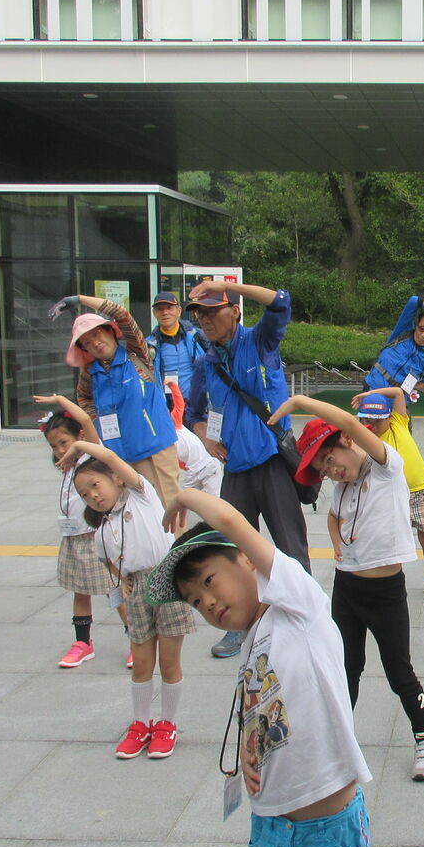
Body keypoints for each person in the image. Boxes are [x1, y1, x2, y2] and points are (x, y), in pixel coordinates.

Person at [147, 490, 389, 847]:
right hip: (272, 831)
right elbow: (267, 705)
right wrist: (250, 752)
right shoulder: (251, 640)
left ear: (246, 561)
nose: (207, 602)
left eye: (210, 581)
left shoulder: (298, 604)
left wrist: (183, 494)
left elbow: (231, 519)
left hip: (330, 832)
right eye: (194, 599)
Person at [274, 394, 424, 781]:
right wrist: (336, 542)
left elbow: (349, 422)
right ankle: (337, 743)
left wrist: (300, 402)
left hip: (386, 593)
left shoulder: (386, 466)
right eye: (323, 470)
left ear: (347, 441)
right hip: (347, 589)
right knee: (345, 669)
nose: (332, 472)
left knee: (399, 670)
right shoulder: (342, 487)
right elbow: (334, 518)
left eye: (329, 460)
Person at [183, 278, 309, 665]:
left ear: (235, 312)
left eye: (212, 311)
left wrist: (223, 284)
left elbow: (281, 301)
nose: (205, 320)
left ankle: (305, 614)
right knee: (230, 550)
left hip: (271, 462)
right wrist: (206, 439)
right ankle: (239, 622)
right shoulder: (206, 363)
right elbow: (192, 412)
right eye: (199, 314)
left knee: (290, 545)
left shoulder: (260, 342)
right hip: (235, 469)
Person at [65, 438, 195, 759]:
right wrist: (122, 580)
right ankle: (140, 724)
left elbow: (109, 456)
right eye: (84, 494)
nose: (93, 496)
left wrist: (79, 445)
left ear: (117, 479)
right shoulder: (101, 528)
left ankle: (167, 724)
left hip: (166, 581)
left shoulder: (141, 495)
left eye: (95, 485)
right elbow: (107, 560)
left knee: (168, 663)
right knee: (141, 663)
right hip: (137, 592)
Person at [54, 293, 183, 519]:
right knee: (136, 514)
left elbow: (122, 315)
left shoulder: (137, 354)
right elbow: (84, 399)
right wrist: (97, 423)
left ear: (110, 331)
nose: (95, 343)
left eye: (97, 334)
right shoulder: (91, 373)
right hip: (119, 454)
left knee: (168, 509)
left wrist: (80, 299)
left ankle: (177, 544)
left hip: (154, 448)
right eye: (87, 342)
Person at [33, 398, 115, 670]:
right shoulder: (67, 466)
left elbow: (86, 420)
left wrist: (59, 401)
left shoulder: (92, 456)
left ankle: (135, 638)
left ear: (79, 438)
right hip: (73, 537)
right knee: (80, 591)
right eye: (54, 446)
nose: (59, 450)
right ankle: (83, 643)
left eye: (64, 443)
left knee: (114, 589)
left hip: (95, 536)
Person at [352, 388, 424, 600]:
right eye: (367, 420)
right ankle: (394, 579)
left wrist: (368, 394)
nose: (373, 425)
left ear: (389, 417)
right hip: (390, 496)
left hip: (419, 489)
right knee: (391, 541)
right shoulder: (364, 440)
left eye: (378, 420)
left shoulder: (398, 422)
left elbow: (397, 393)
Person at [362, 293, 424, 398]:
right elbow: (414, 301)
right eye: (421, 328)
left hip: (398, 401)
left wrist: (418, 386)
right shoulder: (402, 332)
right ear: (416, 325)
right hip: (371, 392)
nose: (423, 335)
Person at [146, 290, 206, 404]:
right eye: (160, 309)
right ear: (154, 313)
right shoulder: (149, 345)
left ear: (179, 311)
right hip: (166, 405)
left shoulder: (198, 336)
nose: (165, 312)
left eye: (169, 308)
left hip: (195, 403)